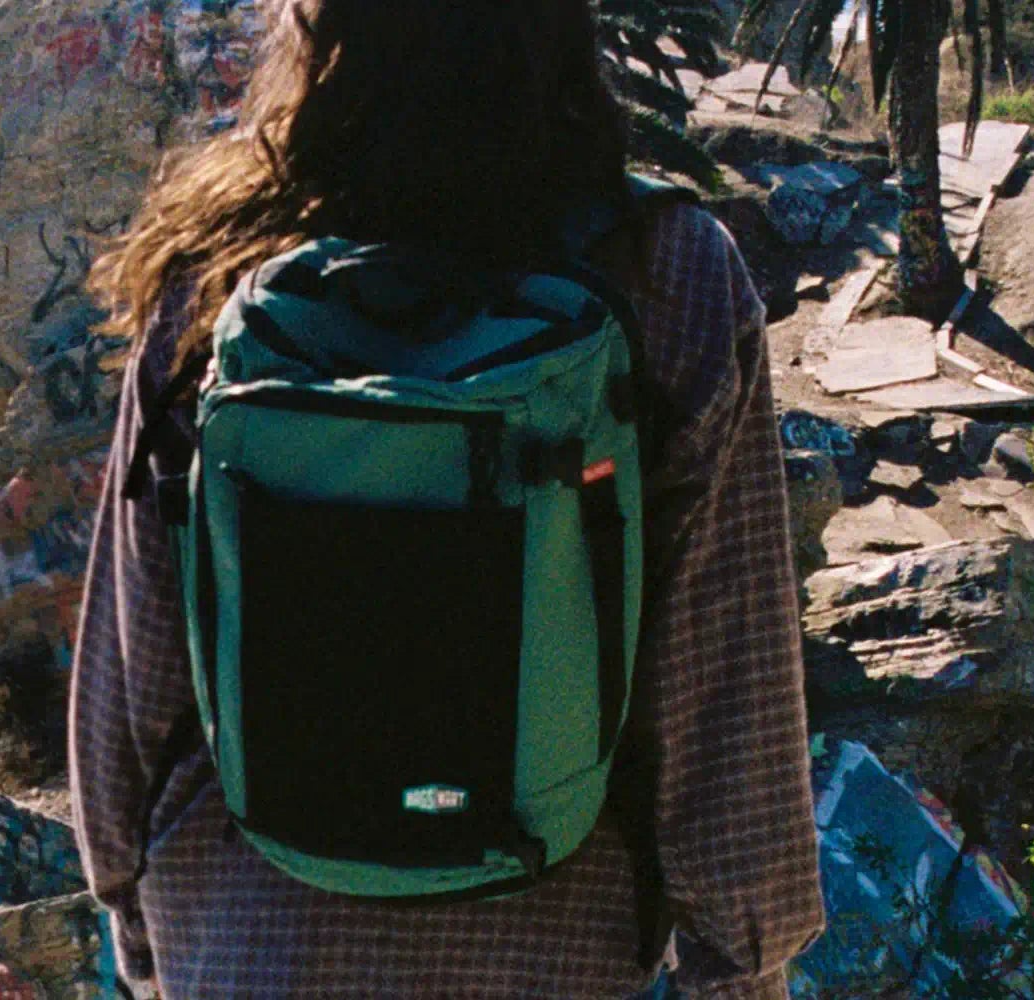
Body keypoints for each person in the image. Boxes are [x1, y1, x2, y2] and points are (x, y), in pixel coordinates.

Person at [68, 0, 822, 996]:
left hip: (247, 936)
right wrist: (744, 960)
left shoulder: (219, 260)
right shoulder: (672, 270)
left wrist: (139, 932)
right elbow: (724, 681)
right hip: (556, 943)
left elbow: (136, 670)